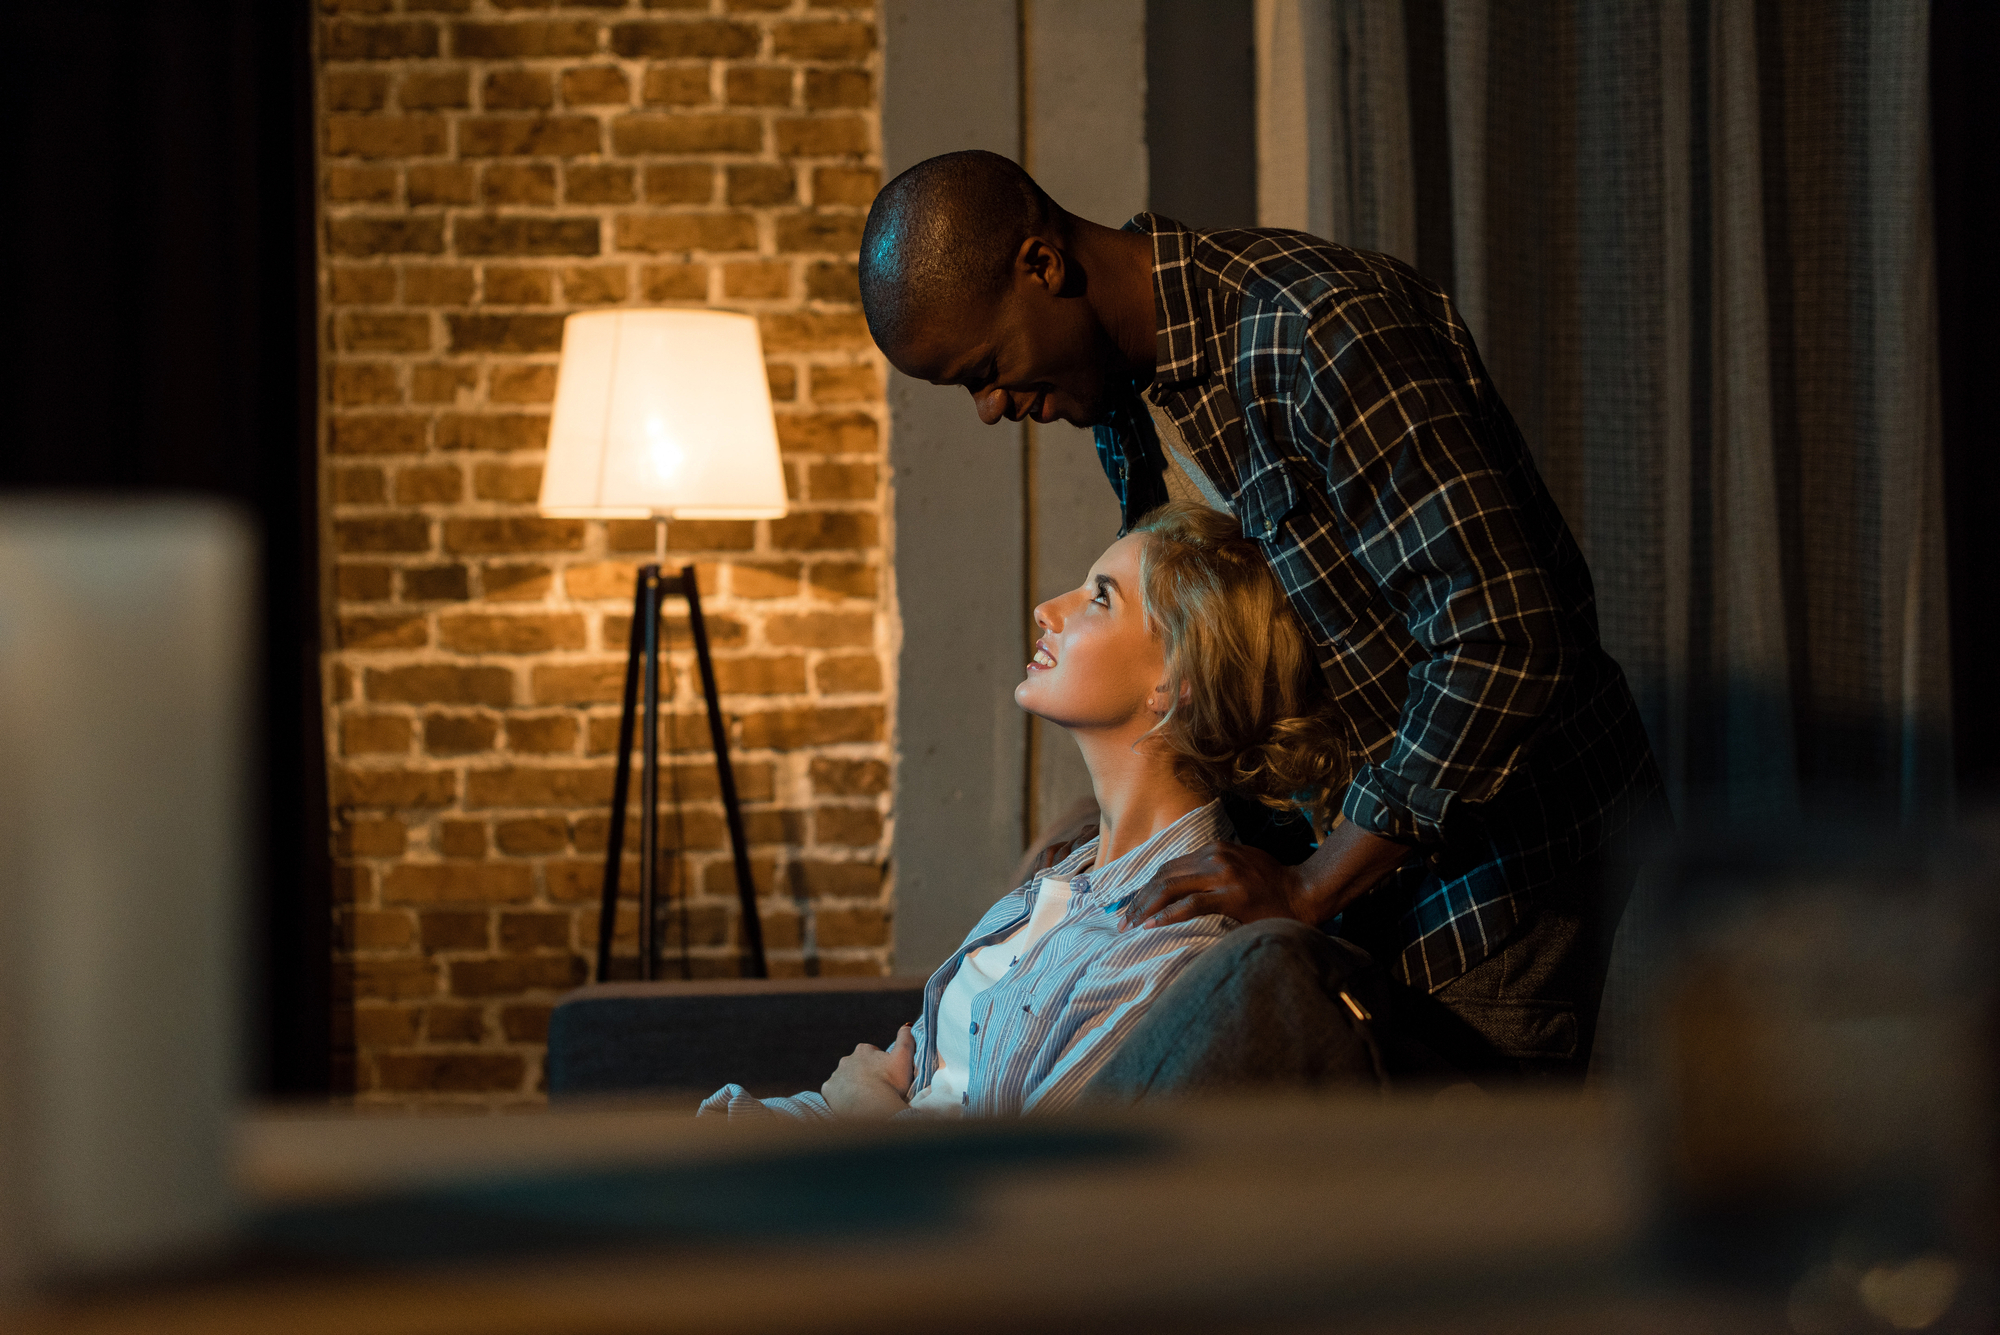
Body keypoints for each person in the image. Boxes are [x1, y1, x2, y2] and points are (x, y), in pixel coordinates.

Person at [858, 150, 1667, 1077]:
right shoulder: (1129, 402)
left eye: (987, 369)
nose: (993, 409)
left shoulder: (1317, 331)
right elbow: (1246, 656)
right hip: (1361, 900)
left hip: (1503, 898)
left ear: (1043, 265)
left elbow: (1506, 637)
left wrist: (1315, 883)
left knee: (1472, 1207)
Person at [701, 503, 1354, 1119]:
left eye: (1101, 596)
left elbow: (1021, 1188)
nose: (1047, 609)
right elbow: (909, 1082)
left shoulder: (1169, 935)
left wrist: (860, 1110)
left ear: (1174, 681)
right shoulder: (1059, 882)